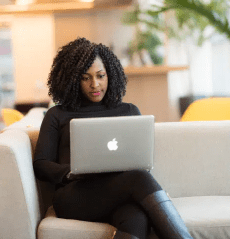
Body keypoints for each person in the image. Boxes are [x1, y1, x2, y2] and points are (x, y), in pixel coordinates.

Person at [33, 37, 193, 239]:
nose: (95, 84)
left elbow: (140, 159)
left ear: (110, 75)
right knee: (139, 179)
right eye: (85, 78)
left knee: (136, 217)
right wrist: (72, 172)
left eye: (101, 75)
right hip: (74, 196)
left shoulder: (129, 111)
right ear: (73, 79)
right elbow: (41, 164)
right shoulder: (57, 114)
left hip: (122, 191)